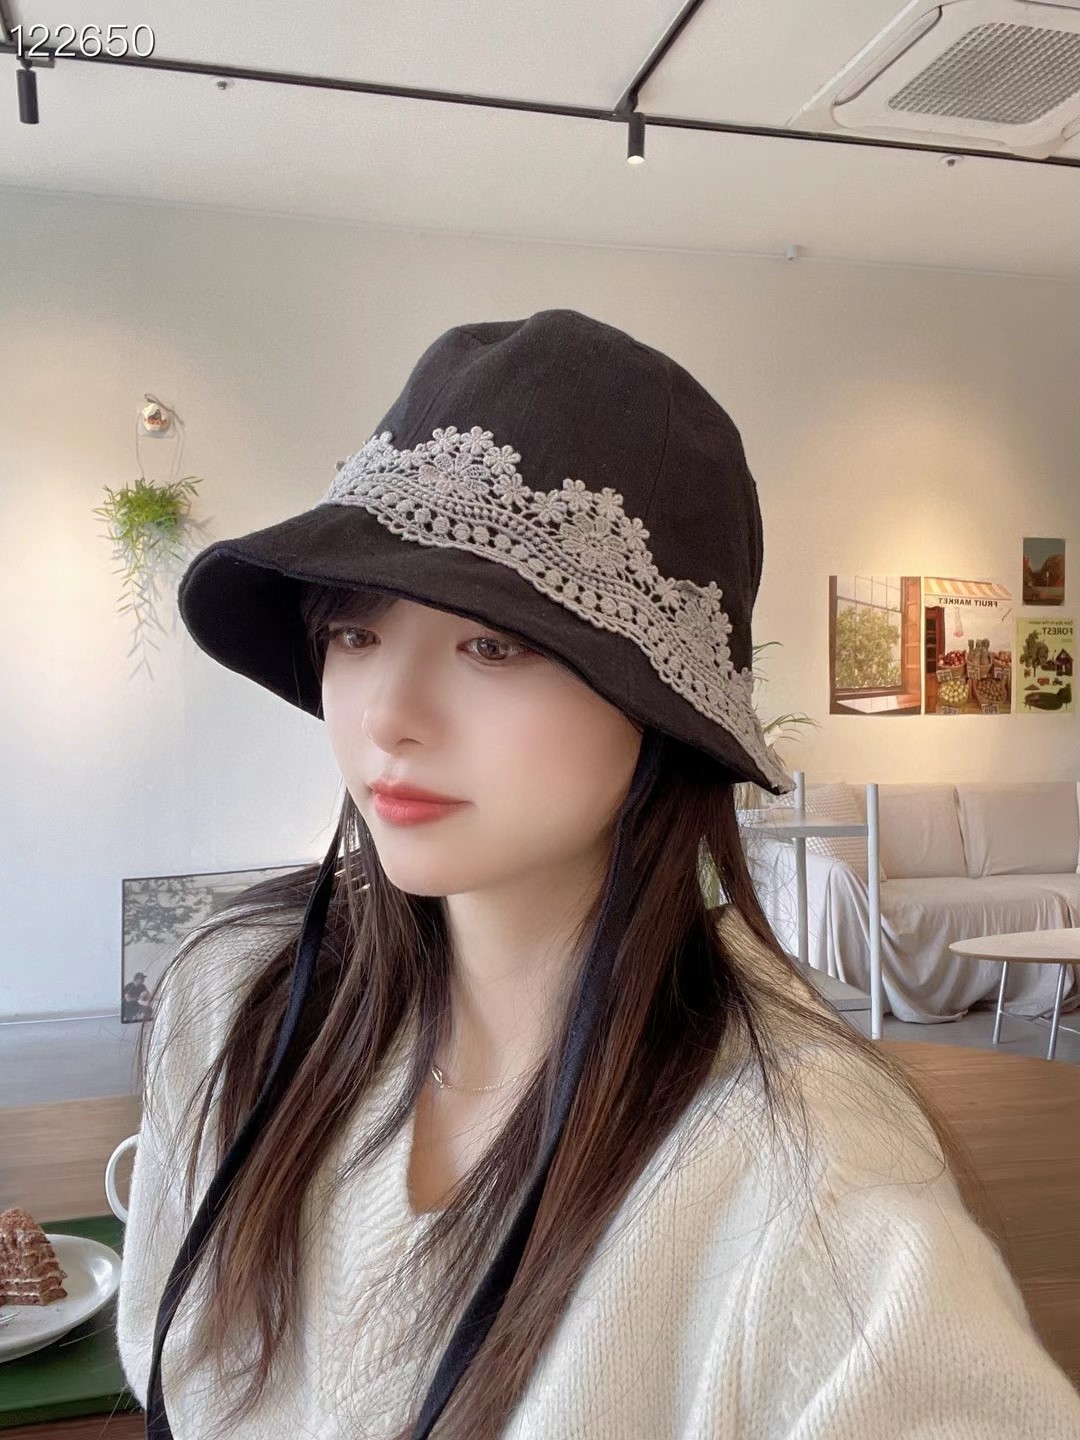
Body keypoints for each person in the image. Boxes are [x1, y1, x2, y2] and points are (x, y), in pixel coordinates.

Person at [115, 309, 1080, 1440]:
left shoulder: (805, 1175)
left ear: (657, 706)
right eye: (354, 633)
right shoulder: (234, 1001)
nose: (387, 716)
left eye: (493, 645)